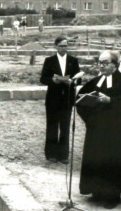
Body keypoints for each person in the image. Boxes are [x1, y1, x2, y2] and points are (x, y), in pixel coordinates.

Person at [77, 51, 121, 209]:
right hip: (96, 129)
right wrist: (89, 120)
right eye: (100, 62)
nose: (101, 66)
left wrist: (110, 100)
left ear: (115, 65)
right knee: (97, 159)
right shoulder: (96, 80)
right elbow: (81, 99)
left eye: (105, 63)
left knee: (111, 161)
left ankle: (112, 196)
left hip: (115, 131)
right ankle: (96, 192)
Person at [40, 36, 80, 164]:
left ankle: (63, 155)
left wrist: (72, 81)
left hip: (67, 98)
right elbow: (43, 78)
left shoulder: (73, 61)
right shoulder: (49, 60)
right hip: (53, 98)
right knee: (52, 125)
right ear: (56, 46)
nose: (64, 48)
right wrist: (52, 80)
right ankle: (51, 153)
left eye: (66, 46)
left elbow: (79, 78)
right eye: (61, 46)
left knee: (65, 126)